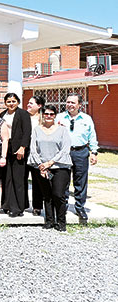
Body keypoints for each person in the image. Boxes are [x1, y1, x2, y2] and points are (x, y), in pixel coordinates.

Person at [56, 93, 98, 224]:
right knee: (63, 181)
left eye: (73, 103)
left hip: (81, 152)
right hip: (64, 153)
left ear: (79, 105)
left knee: (80, 181)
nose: (70, 105)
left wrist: (94, 152)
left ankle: (80, 207)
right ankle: (62, 207)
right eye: (68, 102)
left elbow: (92, 136)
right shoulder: (59, 117)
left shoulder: (86, 119)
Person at [29, 104, 72, 231]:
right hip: (42, 167)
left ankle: (61, 222)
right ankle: (49, 221)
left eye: (51, 114)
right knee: (47, 195)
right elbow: (33, 149)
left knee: (58, 194)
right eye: (46, 114)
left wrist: (50, 163)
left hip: (60, 166)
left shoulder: (62, 130)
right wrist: (41, 165)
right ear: (42, 115)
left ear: (55, 115)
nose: (48, 116)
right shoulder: (37, 130)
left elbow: (65, 149)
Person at [0, 92, 32, 217]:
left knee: (18, 179)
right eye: (8, 101)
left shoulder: (23, 114)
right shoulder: (2, 115)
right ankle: (6, 205)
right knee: (7, 178)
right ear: (5, 103)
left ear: (18, 102)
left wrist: (23, 147)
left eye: (13, 101)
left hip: (19, 149)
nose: (11, 104)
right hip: (6, 148)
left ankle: (18, 207)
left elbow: (27, 132)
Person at [26, 95, 45, 216]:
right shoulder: (24, 116)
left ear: (39, 106)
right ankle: (22, 204)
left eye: (31, 103)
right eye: (28, 102)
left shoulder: (43, 119)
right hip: (24, 150)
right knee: (22, 179)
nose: (28, 105)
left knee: (37, 180)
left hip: (38, 152)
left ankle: (37, 206)